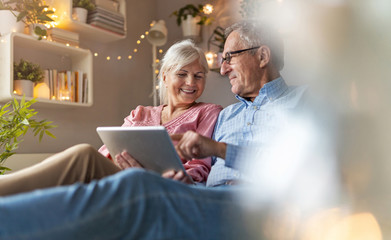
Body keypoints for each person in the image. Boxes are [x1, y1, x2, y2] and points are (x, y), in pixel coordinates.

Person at [0, 21, 306, 239]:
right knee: (84, 156)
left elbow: (296, 168)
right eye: (222, 59)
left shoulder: (303, 103)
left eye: (229, 57)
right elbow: (197, 175)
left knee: (139, 184)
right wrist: (180, 178)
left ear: (262, 56)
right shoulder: (228, 114)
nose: (222, 69)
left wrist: (216, 151)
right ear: (165, 77)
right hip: (200, 195)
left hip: (249, 202)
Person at [0, 39, 222, 196]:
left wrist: (177, 179)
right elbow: (108, 149)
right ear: (164, 77)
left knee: (83, 155)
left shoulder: (208, 112)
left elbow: (200, 166)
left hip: (159, 186)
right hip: (121, 175)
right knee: (82, 160)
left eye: (198, 76)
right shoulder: (141, 113)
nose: (191, 82)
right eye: (182, 74)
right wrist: (119, 161)